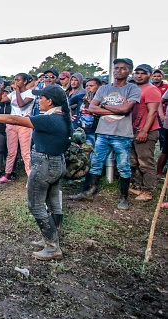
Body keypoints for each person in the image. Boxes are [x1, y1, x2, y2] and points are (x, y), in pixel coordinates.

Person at [0, 84, 72, 260]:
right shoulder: (61, 118)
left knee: (36, 205)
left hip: (44, 165)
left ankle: (52, 247)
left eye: (42, 98)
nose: (39, 100)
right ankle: (51, 238)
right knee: (53, 204)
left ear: (50, 101)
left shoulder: (49, 120)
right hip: (57, 164)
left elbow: (15, 120)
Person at [68, 58, 141, 210]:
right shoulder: (103, 89)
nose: (118, 71)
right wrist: (116, 108)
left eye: (122, 68)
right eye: (116, 68)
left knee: (123, 166)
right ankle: (88, 192)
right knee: (95, 163)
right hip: (103, 132)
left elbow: (126, 109)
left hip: (122, 134)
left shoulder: (132, 89)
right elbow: (93, 108)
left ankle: (123, 197)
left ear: (129, 71)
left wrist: (104, 106)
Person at [128, 64, 161, 202]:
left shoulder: (151, 90)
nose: (139, 75)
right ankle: (139, 186)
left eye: (143, 73)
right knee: (134, 161)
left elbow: (152, 112)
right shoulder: (134, 89)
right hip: (133, 129)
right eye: (137, 73)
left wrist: (144, 131)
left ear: (150, 74)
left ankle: (148, 191)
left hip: (146, 131)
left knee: (146, 162)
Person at [0, 73, 35, 184]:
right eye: (14, 80)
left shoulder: (30, 93)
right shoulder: (12, 94)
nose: (15, 82)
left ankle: (30, 178)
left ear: (25, 82)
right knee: (11, 152)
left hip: (24, 124)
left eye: (18, 80)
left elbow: (21, 104)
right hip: (11, 124)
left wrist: (17, 90)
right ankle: (7, 174)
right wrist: (2, 89)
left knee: (25, 153)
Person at [69, 78, 101, 146]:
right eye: (87, 86)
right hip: (77, 129)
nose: (88, 88)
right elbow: (66, 103)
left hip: (92, 131)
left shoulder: (101, 99)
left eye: (91, 86)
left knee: (89, 151)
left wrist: (91, 103)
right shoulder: (80, 97)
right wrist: (70, 115)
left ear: (99, 87)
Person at [0, 86, 13, 178]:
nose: (5, 94)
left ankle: (11, 171)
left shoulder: (13, 104)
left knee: (11, 152)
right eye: (3, 92)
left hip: (11, 131)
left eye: (7, 93)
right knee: (0, 151)